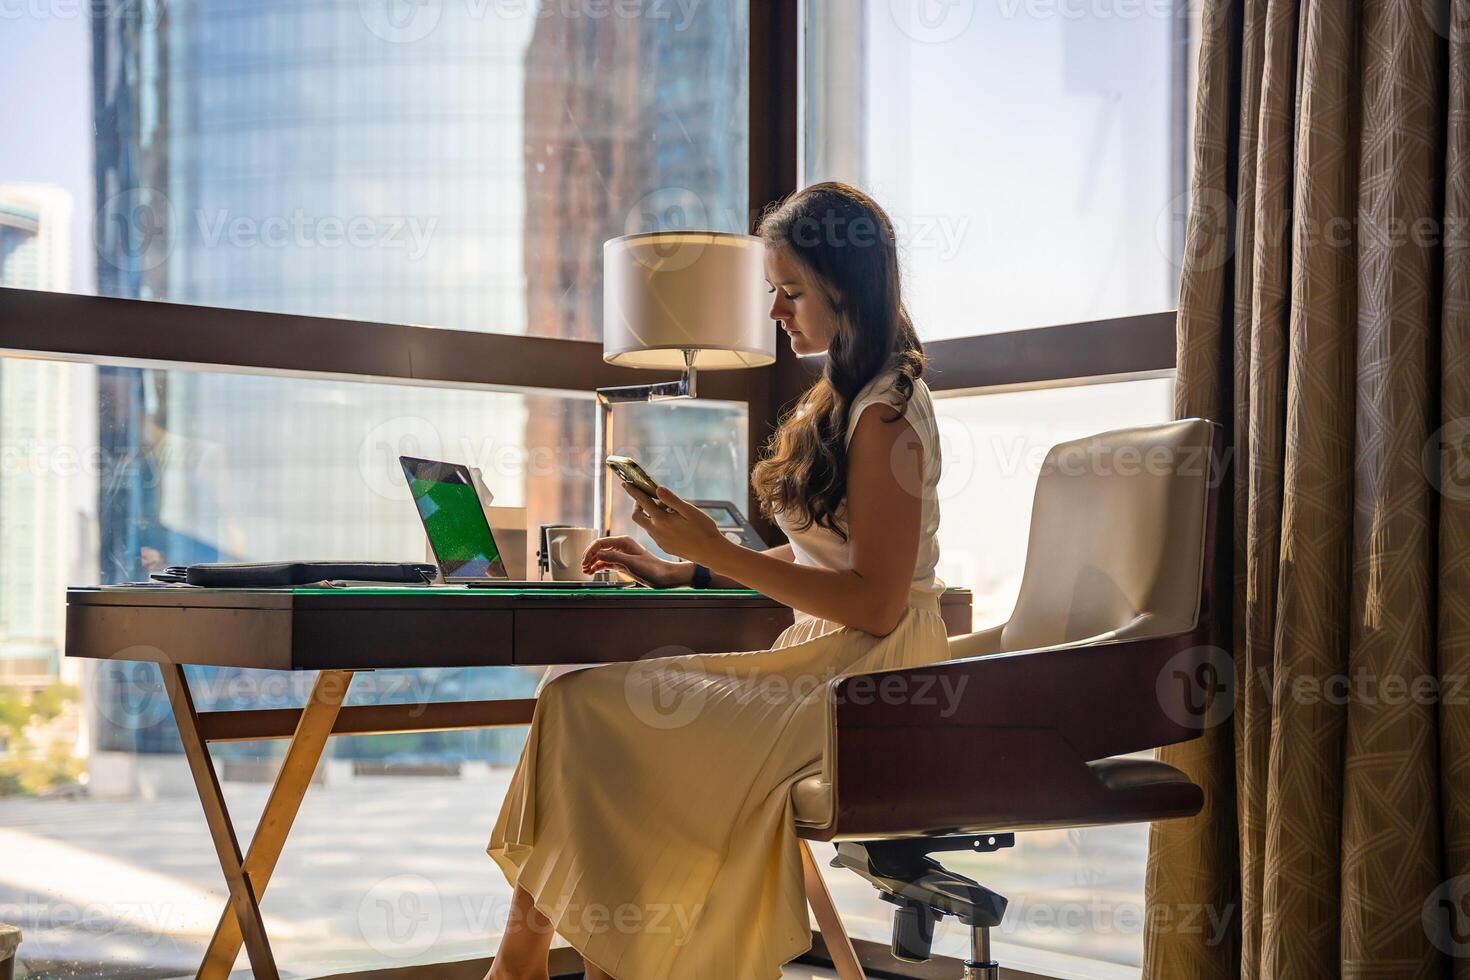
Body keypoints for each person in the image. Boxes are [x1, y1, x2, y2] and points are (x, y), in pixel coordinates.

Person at [484, 182, 949, 980]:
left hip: (870, 681)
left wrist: (719, 551)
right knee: (576, 697)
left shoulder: (886, 414)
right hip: (824, 659)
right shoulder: (841, 398)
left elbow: (876, 599)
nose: (776, 310)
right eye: (774, 290)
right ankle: (560, 959)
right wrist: (686, 566)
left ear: (845, 287)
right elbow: (822, 564)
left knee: (591, 710)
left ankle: (534, 964)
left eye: (791, 291)